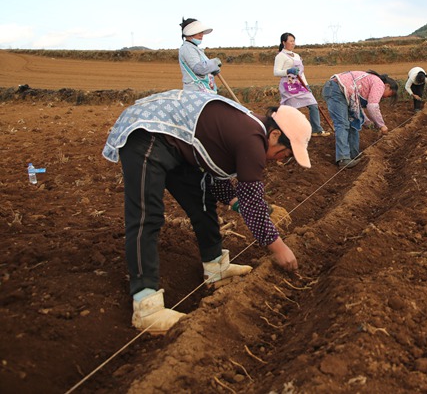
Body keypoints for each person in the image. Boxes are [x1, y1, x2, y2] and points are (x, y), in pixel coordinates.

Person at [102, 89, 312, 333]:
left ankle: (215, 267)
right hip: (147, 132)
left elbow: (215, 176)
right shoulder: (252, 139)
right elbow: (253, 206)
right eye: (284, 154)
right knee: (146, 215)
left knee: (201, 200)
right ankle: (146, 306)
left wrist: (235, 201)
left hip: (177, 145)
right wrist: (280, 248)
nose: (279, 160)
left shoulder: (245, 130)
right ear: (274, 134)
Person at [322, 70, 398, 169]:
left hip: (340, 91)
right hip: (337, 90)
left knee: (353, 123)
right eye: (390, 94)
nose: (387, 97)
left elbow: (357, 109)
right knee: (342, 124)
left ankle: (354, 155)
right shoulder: (379, 84)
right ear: (387, 86)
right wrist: (381, 125)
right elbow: (372, 106)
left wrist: (368, 123)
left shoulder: (370, 81)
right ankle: (343, 159)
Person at [273, 32, 331, 137]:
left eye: (294, 41)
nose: (293, 43)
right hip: (288, 86)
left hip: (300, 85)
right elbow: (276, 72)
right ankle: (285, 130)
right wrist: (288, 71)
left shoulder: (296, 55)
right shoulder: (280, 56)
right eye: (290, 41)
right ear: (284, 42)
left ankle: (316, 130)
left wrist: (307, 86)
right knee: (290, 109)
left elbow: (301, 73)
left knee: (313, 104)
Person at [179, 18, 223, 93]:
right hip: (196, 91)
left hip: (204, 90)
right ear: (189, 33)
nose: (201, 34)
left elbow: (204, 67)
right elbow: (199, 68)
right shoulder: (188, 48)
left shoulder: (195, 48)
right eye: (198, 32)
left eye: (201, 32)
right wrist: (214, 63)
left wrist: (212, 69)